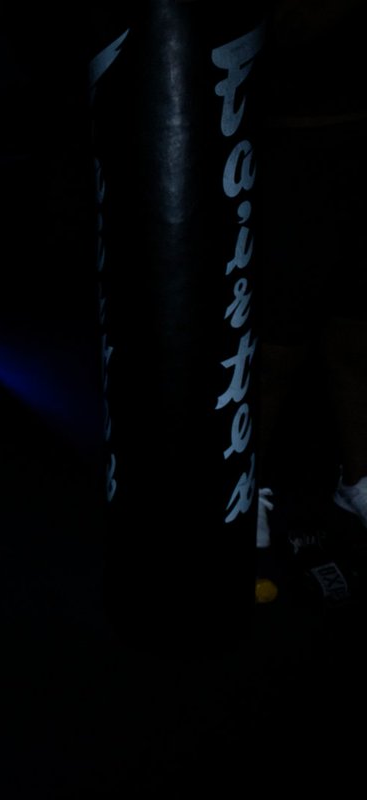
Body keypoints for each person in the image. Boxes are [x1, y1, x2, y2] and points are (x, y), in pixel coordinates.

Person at [255, 0, 367, 555]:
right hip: (292, 144)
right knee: (277, 344)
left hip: (359, 141)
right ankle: (237, 488)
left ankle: (358, 482)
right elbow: (276, 28)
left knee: (356, 334)